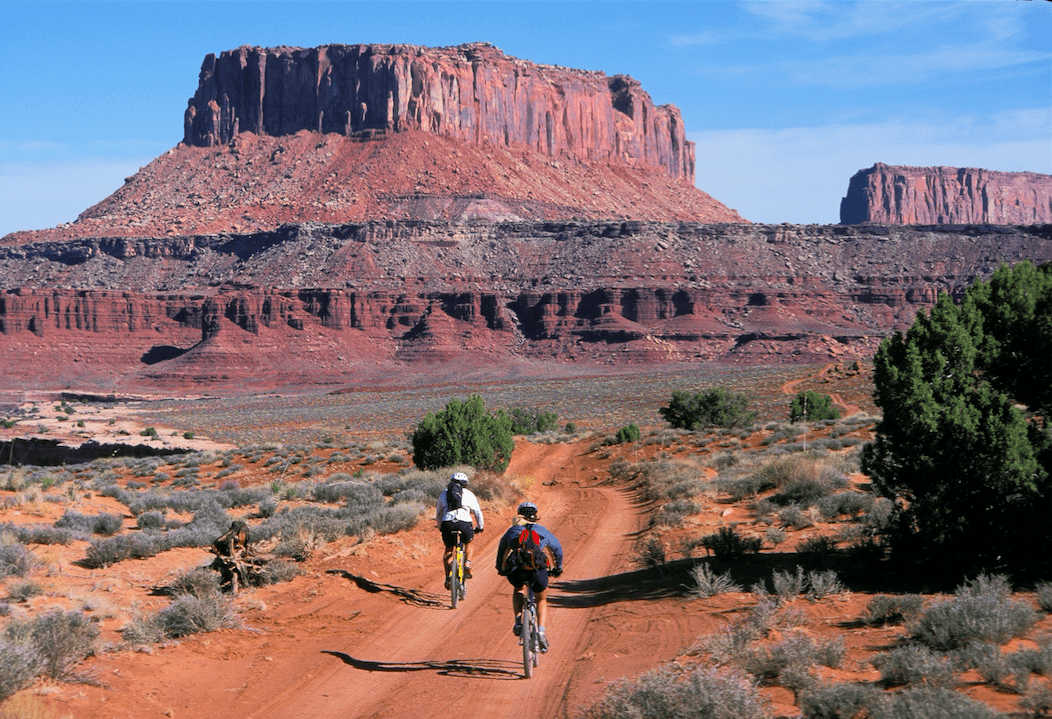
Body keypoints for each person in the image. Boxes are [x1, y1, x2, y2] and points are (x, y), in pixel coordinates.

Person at [496, 501, 564, 653]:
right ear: (536, 516)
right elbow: (556, 549)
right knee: (541, 598)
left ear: (520, 514)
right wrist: (557, 568)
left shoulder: (513, 530)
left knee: (518, 589)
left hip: (517, 571)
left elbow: (502, 549)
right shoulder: (542, 531)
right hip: (537, 570)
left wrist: (500, 568)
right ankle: (540, 631)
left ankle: (518, 622)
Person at [435, 471, 484, 589]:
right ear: (465, 484)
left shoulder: (444, 494)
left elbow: (438, 513)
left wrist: (441, 526)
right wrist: (480, 527)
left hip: (448, 522)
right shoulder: (469, 494)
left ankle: (448, 578)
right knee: (468, 542)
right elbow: (478, 512)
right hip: (464, 522)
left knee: (448, 549)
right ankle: (467, 562)